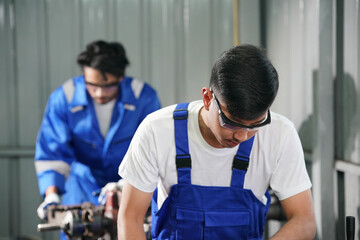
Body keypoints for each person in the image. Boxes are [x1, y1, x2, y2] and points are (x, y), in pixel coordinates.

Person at [117, 44, 316, 239]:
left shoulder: (280, 134)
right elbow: (130, 218)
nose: (242, 136)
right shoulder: (157, 131)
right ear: (207, 98)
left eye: (255, 125)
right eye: (232, 123)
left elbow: (304, 221)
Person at [34, 40, 161, 236]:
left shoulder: (143, 97)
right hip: (81, 186)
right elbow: (53, 154)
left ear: (120, 78)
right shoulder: (64, 99)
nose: (100, 93)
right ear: (83, 75)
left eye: (108, 86)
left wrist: (125, 184)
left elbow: (155, 150)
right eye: (92, 85)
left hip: (128, 184)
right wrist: (52, 196)